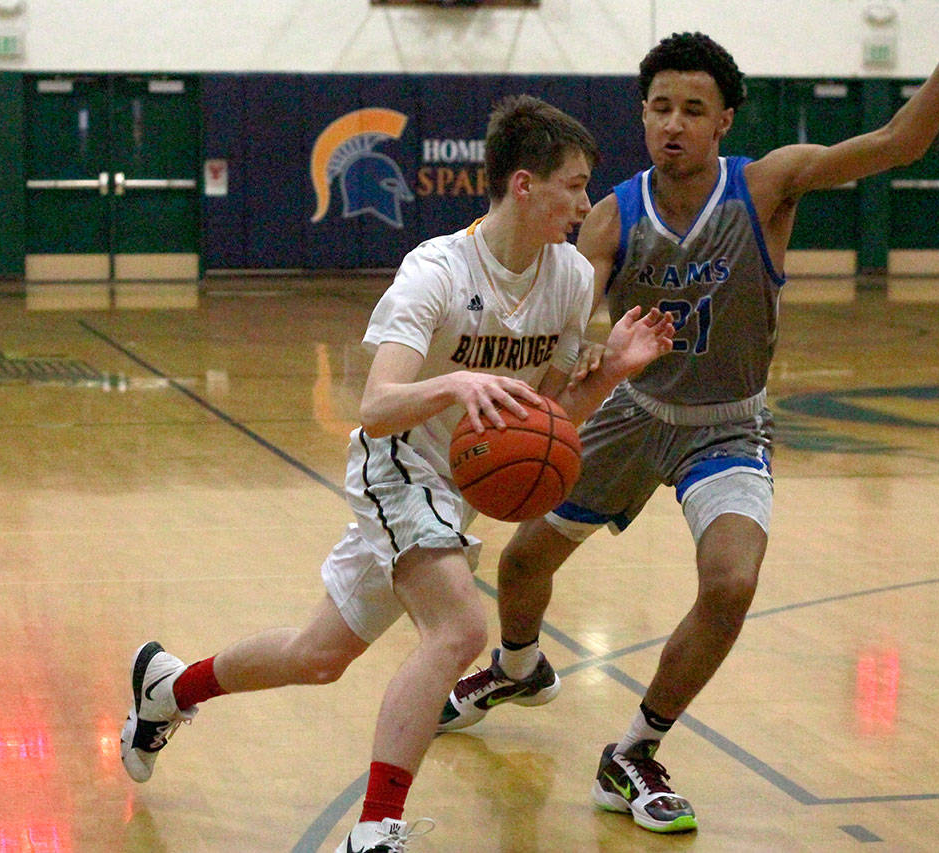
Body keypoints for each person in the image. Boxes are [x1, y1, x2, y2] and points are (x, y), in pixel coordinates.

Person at [437, 0, 939, 835]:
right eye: (660, 107)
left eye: (693, 109)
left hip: (728, 424)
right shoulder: (611, 216)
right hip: (634, 412)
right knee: (523, 563)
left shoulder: (768, 183)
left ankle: (636, 748)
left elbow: (899, 144)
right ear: (642, 115)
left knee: (733, 583)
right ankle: (519, 666)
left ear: (724, 120)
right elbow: (567, 323)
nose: (674, 124)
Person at [118, 94, 676, 853]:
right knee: (460, 628)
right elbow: (376, 405)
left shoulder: (573, 281)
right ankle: (374, 831)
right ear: (523, 185)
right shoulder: (436, 271)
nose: (586, 203)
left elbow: (548, 422)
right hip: (399, 462)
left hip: (457, 491)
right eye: (574, 185)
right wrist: (456, 384)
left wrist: (609, 372)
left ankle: (168, 688)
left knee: (317, 656)